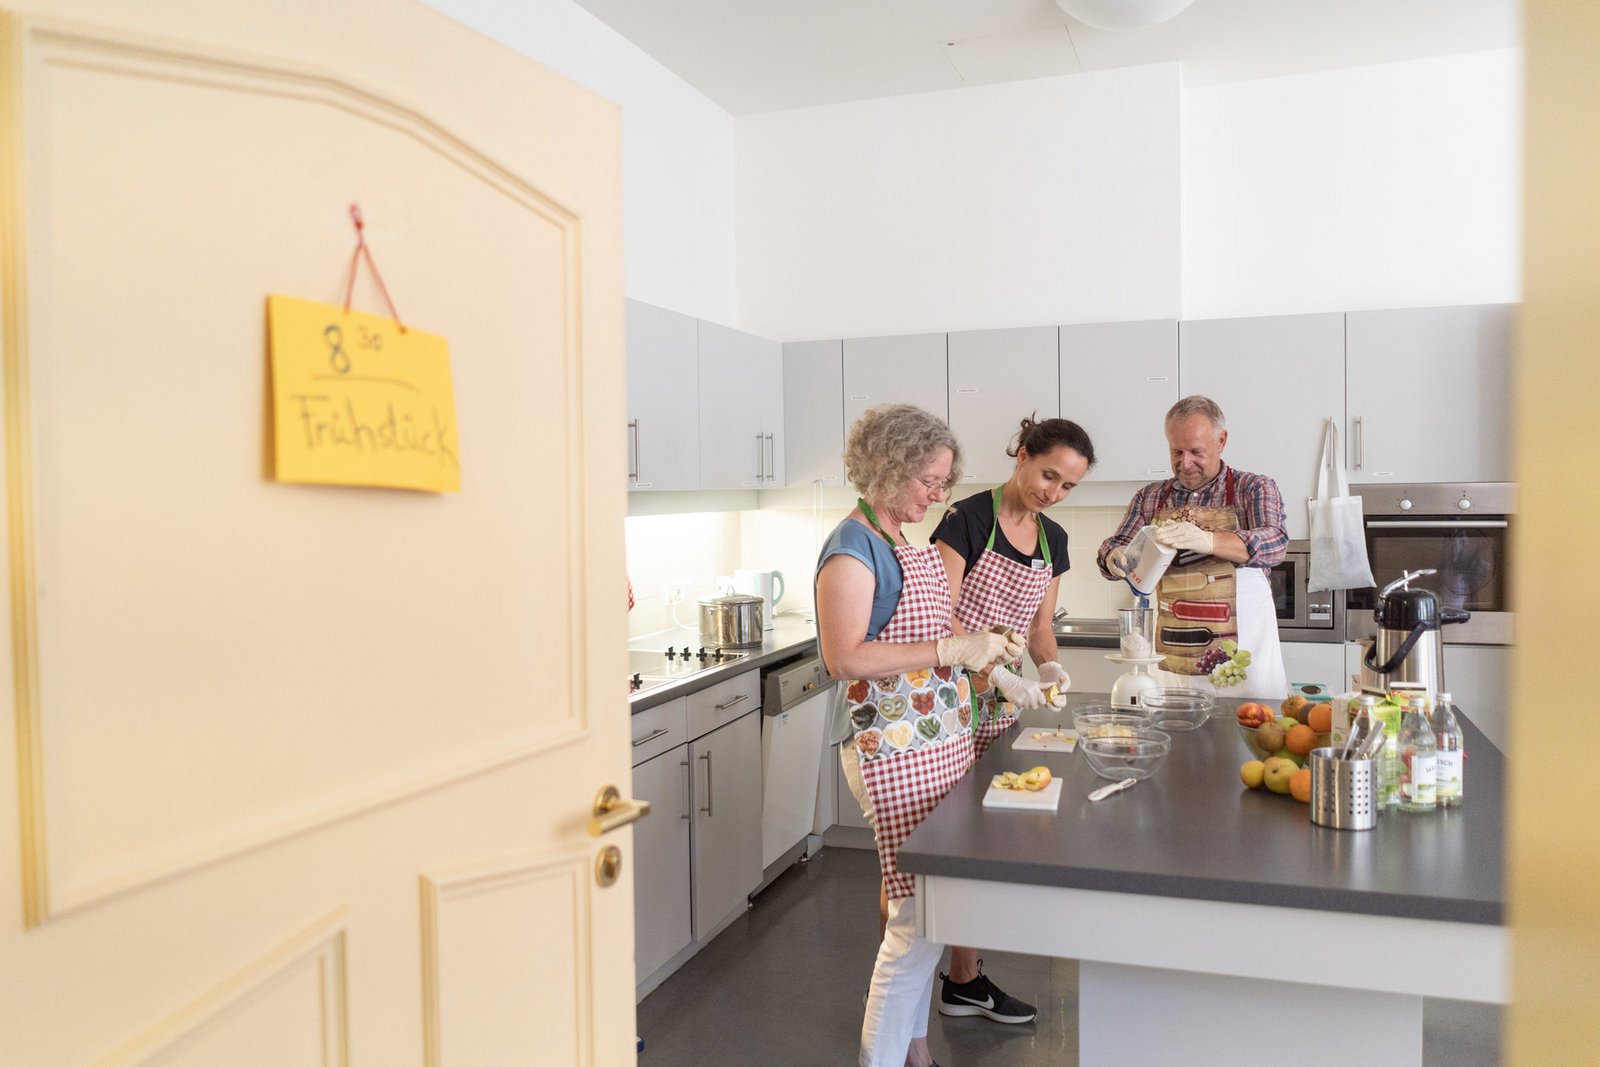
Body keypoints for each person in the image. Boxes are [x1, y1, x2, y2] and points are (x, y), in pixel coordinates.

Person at [816, 403, 1024, 1067]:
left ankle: (915, 1052)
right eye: (928, 482)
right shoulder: (851, 549)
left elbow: (930, 642)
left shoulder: (903, 541)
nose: (937, 496)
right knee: (912, 924)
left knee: (931, 915)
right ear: (888, 468)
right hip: (891, 752)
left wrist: (989, 663)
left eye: (943, 484)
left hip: (936, 741)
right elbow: (844, 657)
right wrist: (949, 647)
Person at [927, 415, 1095, 1027]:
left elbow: (1040, 628)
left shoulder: (1053, 540)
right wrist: (994, 673)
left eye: (1068, 486)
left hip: (1003, 702)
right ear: (1021, 456)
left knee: (982, 832)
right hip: (947, 694)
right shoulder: (965, 520)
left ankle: (962, 979)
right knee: (944, 839)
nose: (1054, 492)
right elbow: (938, 618)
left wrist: (1047, 670)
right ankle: (936, 978)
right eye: (1048, 474)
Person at [1097, 396, 1288, 701]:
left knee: (1246, 741)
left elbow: (1275, 544)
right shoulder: (1150, 497)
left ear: (1221, 441)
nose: (1184, 464)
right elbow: (1118, 545)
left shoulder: (1253, 488)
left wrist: (1209, 541)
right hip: (1172, 656)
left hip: (1241, 661)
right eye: (1176, 451)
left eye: (1196, 452)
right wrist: (1112, 558)